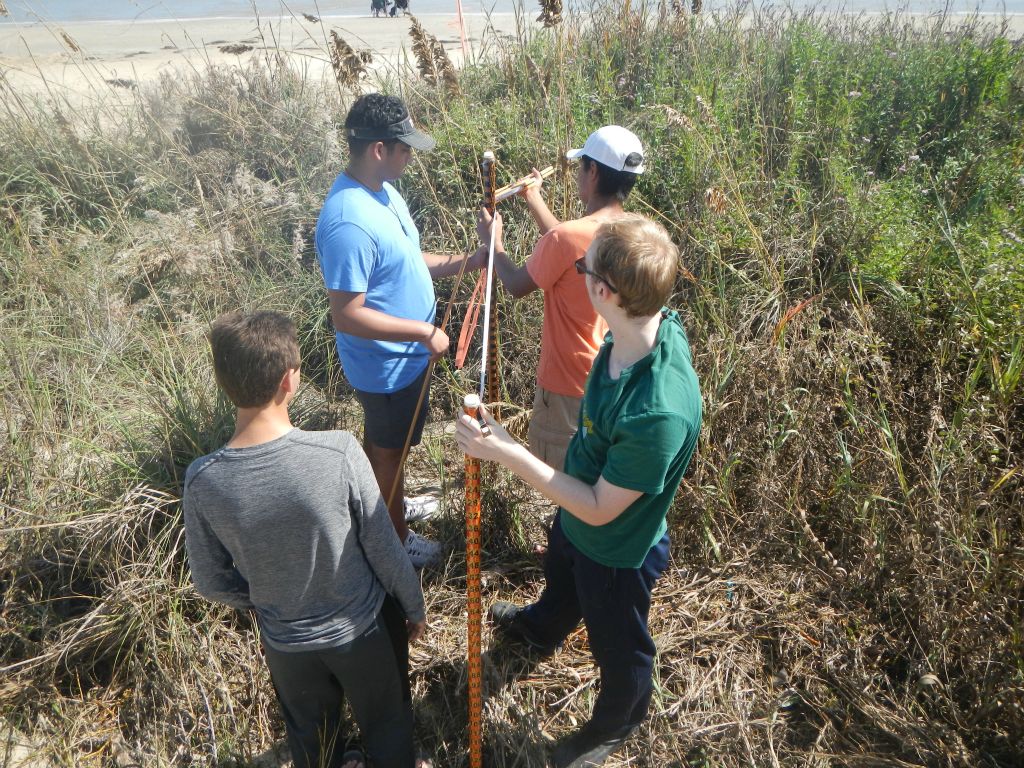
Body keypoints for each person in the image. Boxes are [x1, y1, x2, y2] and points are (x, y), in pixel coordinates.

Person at [455, 216, 702, 768]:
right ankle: (541, 627)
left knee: (620, 647)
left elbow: (598, 508)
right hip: (576, 520)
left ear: (604, 291)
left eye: (584, 269)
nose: (580, 274)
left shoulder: (657, 411)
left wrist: (507, 451)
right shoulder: (639, 325)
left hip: (614, 551)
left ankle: (616, 722)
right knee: (562, 573)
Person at [183, 311, 427, 768]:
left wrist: (262, 598)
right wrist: (412, 606)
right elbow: (383, 548)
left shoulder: (203, 480)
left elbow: (210, 582)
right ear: (288, 381)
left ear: (224, 382)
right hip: (364, 630)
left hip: (286, 644)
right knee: (388, 725)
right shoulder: (337, 451)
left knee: (313, 745)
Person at [315, 93, 485, 568]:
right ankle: (394, 539)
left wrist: (469, 262)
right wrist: (421, 332)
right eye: (404, 147)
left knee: (395, 444)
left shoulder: (384, 191)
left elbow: (408, 261)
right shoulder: (348, 221)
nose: (411, 155)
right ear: (378, 150)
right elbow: (346, 313)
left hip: (408, 354)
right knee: (387, 452)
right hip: (386, 365)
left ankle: (394, 502)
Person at [476, 125, 645, 471]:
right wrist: (534, 197)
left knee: (566, 483)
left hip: (568, 387)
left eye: (582, 165)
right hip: (616, 379)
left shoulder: (567, 239)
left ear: (593, 172)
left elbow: (516, 284)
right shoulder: (635, 231)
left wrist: (495, 245)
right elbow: (565, 245)